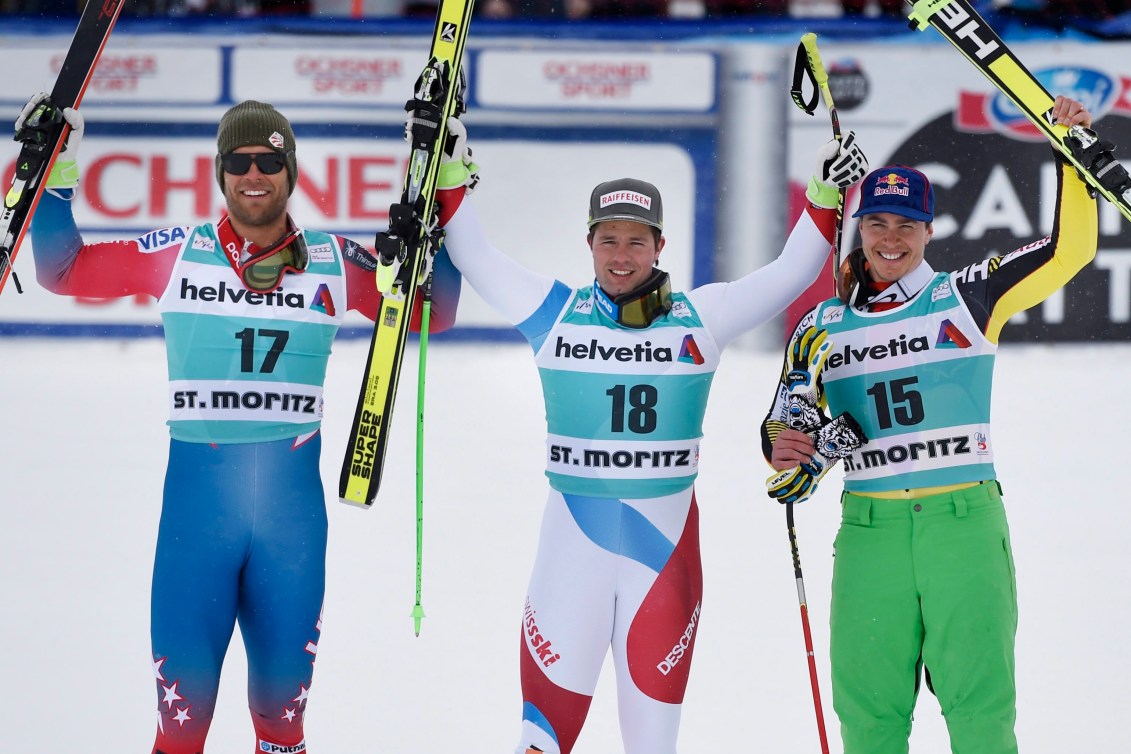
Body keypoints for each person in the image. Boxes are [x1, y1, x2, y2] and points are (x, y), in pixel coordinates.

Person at [20, 95, 461, 754]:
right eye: (239, 163)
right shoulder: (177, 253)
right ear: (220, 173)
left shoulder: (337, 262)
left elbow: (437, 312)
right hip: (196, 531)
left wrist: (446, 189)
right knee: (182, 724)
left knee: (281, 724)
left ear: (291, 172)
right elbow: (60, 271)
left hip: (291, 535)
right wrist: (53, 173)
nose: (254, 176)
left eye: (269, 162)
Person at [428, 116, 868, 753]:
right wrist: (446, 168)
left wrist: (828, 194)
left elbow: (793, 272)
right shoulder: (554, 313)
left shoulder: (701, 318)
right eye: (609, 240)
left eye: (637, 241)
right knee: (538, 742)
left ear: (660, 245)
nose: (622, 255)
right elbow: (474, 255)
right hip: (569, 560)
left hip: (663, 563)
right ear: (590, 243)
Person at [759, 96, 1099, 754]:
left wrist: (1070, 154)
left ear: (929, 229)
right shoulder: (820, 329)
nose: (890, 239)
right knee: (870, 720)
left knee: (979, 716)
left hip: (962, 527)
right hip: (869, 535)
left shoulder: (967, 294)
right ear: (858, 228)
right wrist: (790, 452)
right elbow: (786, 467)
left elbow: (1068, 252)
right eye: (877, 223)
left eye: (906, 225)